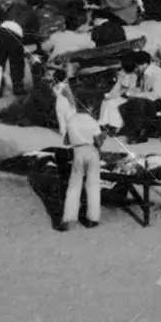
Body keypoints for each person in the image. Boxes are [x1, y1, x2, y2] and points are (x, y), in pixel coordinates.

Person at [57, 98, 104, 232]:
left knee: (74, 185)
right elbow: (98, 142)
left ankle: (69, 218)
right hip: (91, 152)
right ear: (89, 107)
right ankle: (93, 218)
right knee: (93, 185)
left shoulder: (71, 120)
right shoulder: (92, 121)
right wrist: (102, 137)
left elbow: (66, 141)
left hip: (77, 152)